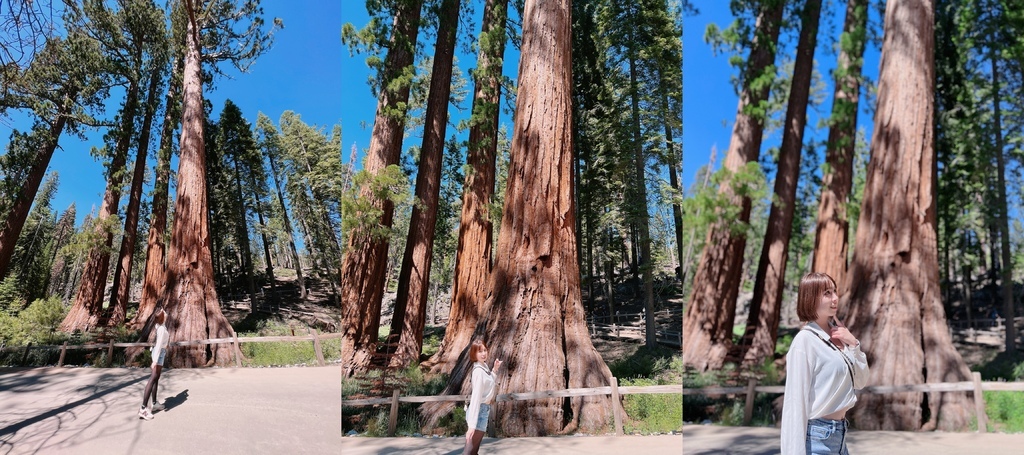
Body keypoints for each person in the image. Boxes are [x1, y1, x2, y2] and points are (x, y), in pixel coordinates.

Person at [781, 272, 869, 454]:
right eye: (827, 293)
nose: (835, 298)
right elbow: (795, 403)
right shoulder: (804, 341)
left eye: (835, 292)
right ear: (810, 297)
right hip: (817, 438)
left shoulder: (840, 335)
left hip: (840, 435)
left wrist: (854, 344)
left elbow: (860, 381)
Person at [464, 340, 502, 455]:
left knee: (473, 451)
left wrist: (494, 370)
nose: (483, 353)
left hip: (483, 410)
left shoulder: (483, 367)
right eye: (480, 351)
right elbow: (476, 398)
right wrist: (472, 426)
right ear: (474, 354)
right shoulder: (479, 372)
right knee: (470, 451)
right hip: (479, 412)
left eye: (485, 350)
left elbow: (488, 385)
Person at [138, 308, 169, 420]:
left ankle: (154, 403)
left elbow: (163, 342)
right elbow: (159, 343)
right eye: (164, 312)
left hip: (161, 352)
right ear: (162, 317)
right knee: (152, 379)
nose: (165, 312)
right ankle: (143, 409)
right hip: (158, 353)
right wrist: (155, 360)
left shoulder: (162, 326)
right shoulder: (161, 328)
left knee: (156, 378)